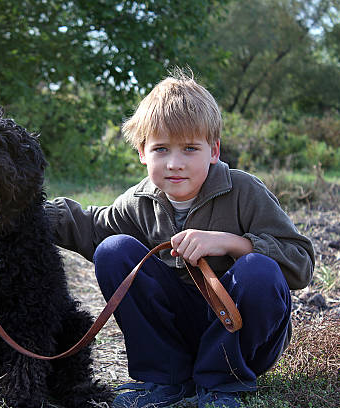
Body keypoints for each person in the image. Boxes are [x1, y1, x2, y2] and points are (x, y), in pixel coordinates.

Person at [44, 69, 314, 408]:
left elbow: (300, 262)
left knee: (259, 269)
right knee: (114, 250)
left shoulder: (244, 190)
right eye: (161, 149)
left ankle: (223, 386)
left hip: (241, 334)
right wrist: (25, 208)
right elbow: (90, 226)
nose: (175, 163)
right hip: (180, 333)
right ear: (142, 152)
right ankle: (166, 380)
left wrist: (230, 243)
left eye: (189, 148)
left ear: (213, 150)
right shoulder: (139, 201)